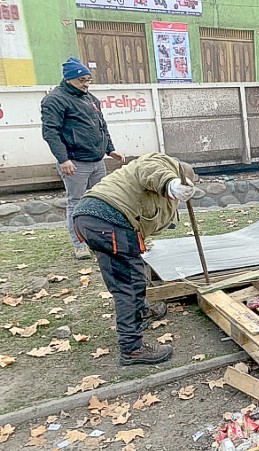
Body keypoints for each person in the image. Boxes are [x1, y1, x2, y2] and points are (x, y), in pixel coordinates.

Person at [72, 153, 196, 366]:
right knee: (128, 284)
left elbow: (148, 211)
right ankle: (132, 349)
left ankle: (142, 312)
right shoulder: (159, 163)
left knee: (124, 275)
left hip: (92, 218)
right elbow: (151, 172)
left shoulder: (150, 186)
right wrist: (172, 183)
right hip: (108, 218)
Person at [41, 57, 125, 260]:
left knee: (103, 200)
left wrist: (110, 150)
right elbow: (50, 132)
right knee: (76, 203)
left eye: (89, 79)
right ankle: (79, 244)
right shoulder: (54, 100)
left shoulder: (91, 99)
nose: (86, 84)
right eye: (82, 80)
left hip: (97, 161)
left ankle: (100, 239)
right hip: (74, 163)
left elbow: (101, 126)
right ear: (69, 79)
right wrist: (63, 159)